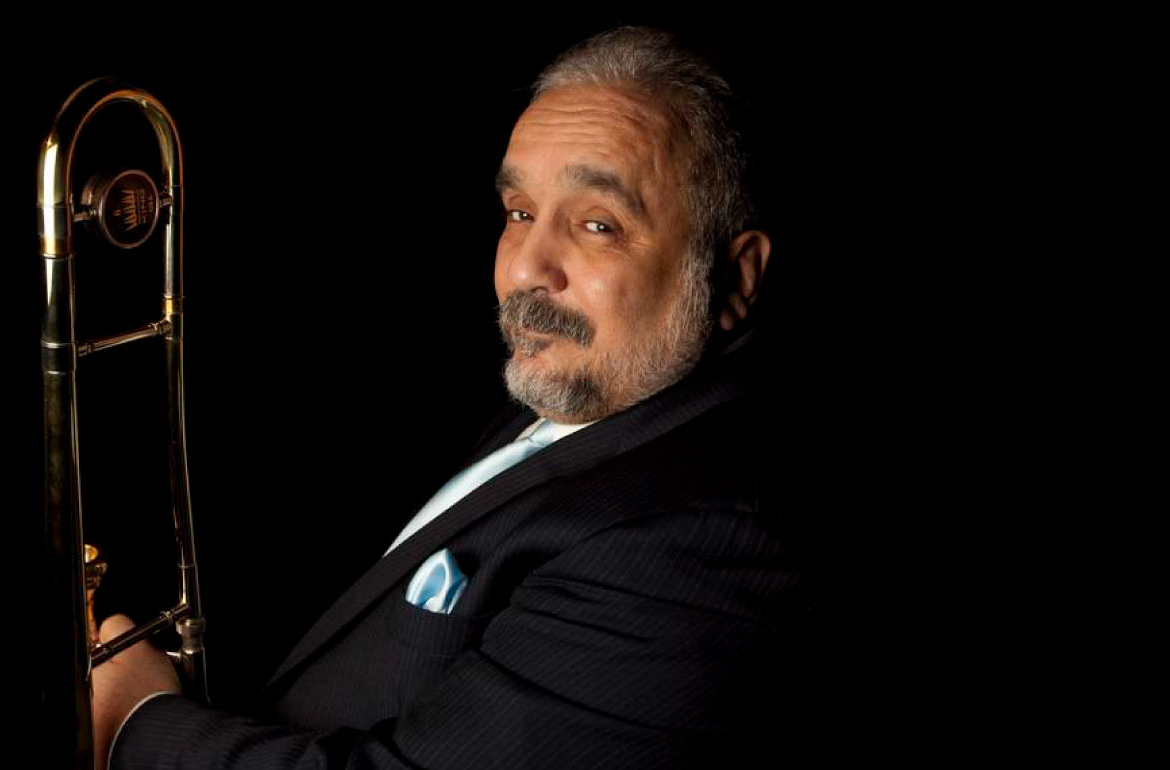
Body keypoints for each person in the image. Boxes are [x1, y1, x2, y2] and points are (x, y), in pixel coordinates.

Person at [94, 25, 815, 769]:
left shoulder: (699, 543)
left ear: (737, 277)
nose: (526, 269)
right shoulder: (589, 395)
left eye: (598, 225)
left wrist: (135, 723)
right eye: (519, 213)